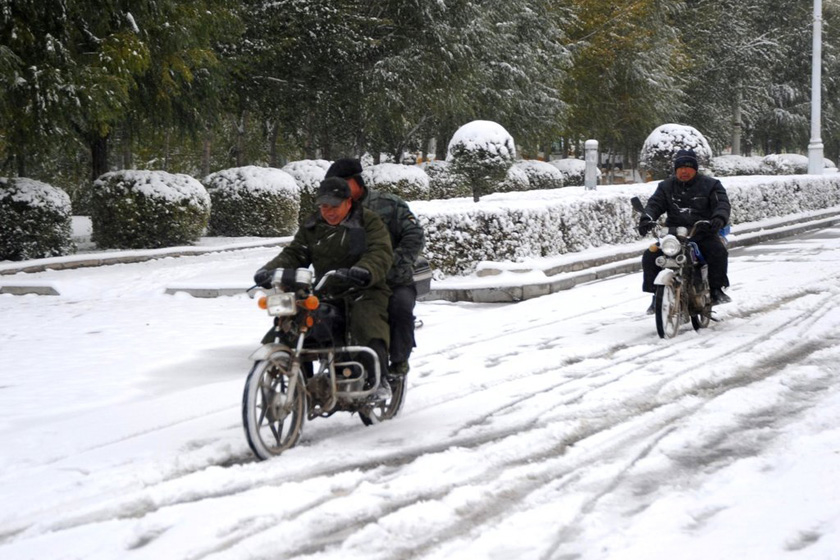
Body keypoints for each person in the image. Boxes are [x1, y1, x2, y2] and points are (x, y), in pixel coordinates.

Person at [253, 176, 395, 400]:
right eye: (324, 206)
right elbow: (295, 253)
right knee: (291, 322)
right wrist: (269, 270)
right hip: (325, 291)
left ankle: (379, 380)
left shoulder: (368, 221)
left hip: (364, 290)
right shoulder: (313, 225)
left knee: (366, 322)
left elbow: (380, 251)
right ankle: (298, 381)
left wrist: (364, 270)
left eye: (334, 206)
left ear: (348, 202)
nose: (328, 211)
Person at [324, 158, 425, 375]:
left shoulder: (389, 204)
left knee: (400, 309)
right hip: (349, 283)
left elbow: (414, 236)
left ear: (356, 182)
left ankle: (398, 362)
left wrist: (387, 264)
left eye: (342, 183)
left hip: (393, 281)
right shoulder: (332, 212)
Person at [638, 149, 732, 313]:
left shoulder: (711, 185)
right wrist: (646, 218)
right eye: (680, 167)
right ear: (675, 169)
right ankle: (656, 296)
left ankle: (717, 290)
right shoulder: (666, 186)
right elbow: (654, 204)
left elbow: (722, 204)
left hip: (702, 233)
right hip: (674, 235)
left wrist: (718, 218)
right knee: (650, 254)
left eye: (688, 167)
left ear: (695, 169)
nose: (684, 171)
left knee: (717, 251)